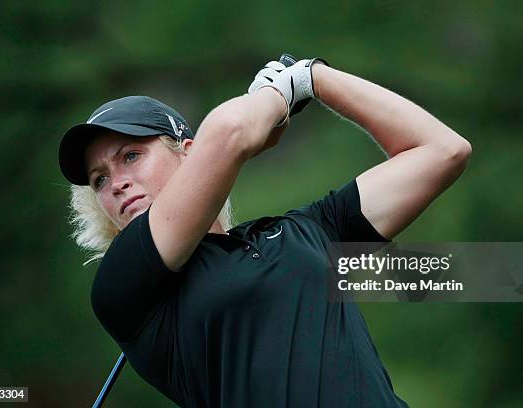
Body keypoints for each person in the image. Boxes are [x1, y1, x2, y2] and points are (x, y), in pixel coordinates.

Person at [58, 55, 471, 407]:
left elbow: (442, 151)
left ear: (188, 154)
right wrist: (276, 96)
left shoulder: (307, 231)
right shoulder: (125, 288)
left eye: (131, 155)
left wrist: (313, 78)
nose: (115, 183)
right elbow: (229, 132)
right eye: (98, 179)